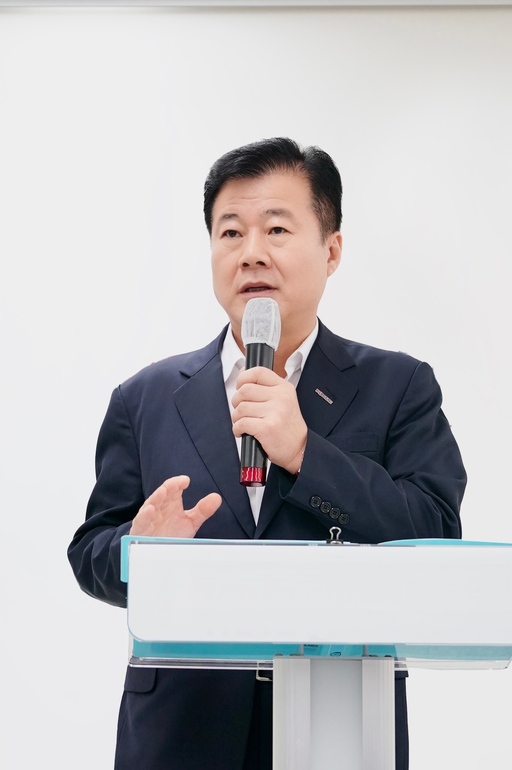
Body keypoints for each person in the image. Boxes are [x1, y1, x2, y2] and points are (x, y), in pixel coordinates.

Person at [68, 137, 466, 770]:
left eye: (276, 228)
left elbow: (436, 535)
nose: (251, 252)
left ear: (331, 250)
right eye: (230, 232)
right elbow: (91, 551)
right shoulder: (144, 397)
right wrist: (138, 552)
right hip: (180, 730)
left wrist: (306, 454)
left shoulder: (399, 386)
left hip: (337, 726)